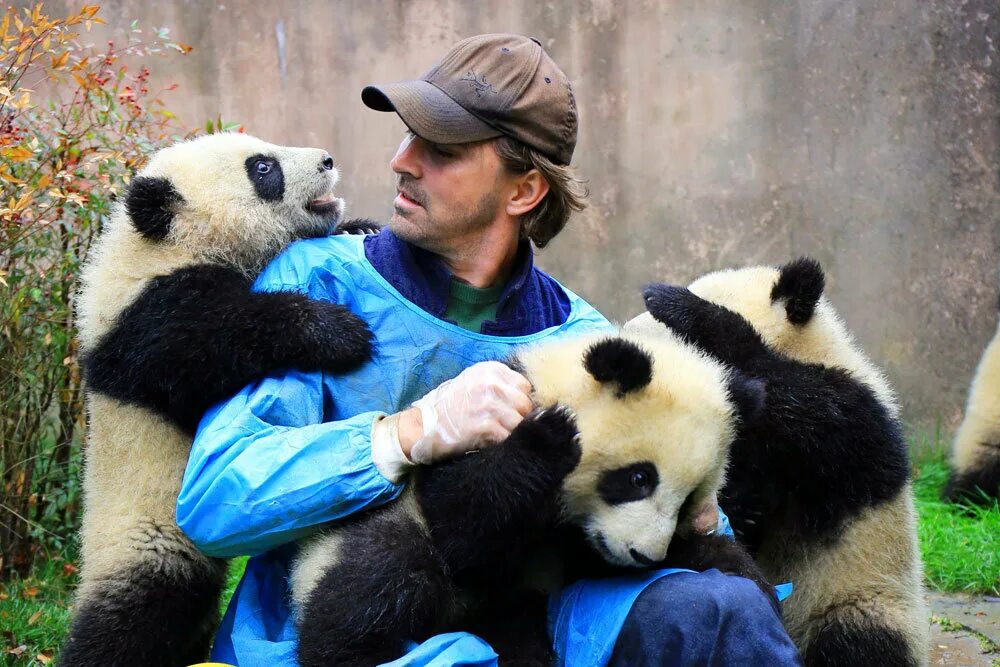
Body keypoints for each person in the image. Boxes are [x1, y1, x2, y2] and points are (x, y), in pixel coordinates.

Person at [178, 33, 801, 666]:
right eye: (406, 134)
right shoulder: (314, 283)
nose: (402, 160)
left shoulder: (582, 345)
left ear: (524, 190)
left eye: (440, 149)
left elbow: (639, 523)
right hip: (335, 633)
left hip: (527, 625)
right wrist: (408, 434)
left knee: (721, 610)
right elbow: (212, 504)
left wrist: (693, 501)